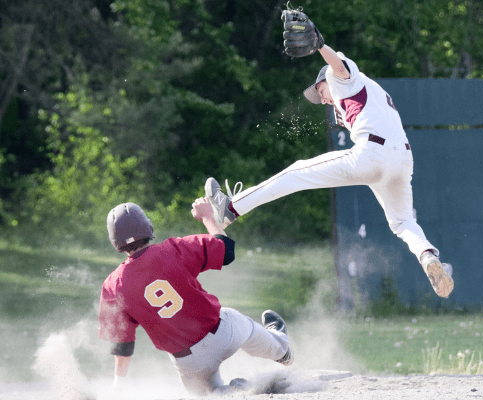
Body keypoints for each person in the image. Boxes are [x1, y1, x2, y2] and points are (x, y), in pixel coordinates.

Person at [205, 7, 454, 299]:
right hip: (401, 160)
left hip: (372, 154)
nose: (321, 97)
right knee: (402, 222)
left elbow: (340, 67)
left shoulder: (341, 80)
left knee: (297, 171)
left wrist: (320, 45)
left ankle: (230, 209)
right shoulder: (372, 91)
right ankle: (428, 257)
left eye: (318, 90)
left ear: (325, 81)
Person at [98, 198, 293, 396]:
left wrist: (118, 386)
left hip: (188, 362)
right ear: (147, 227)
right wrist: (208, 217)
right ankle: (282, 351)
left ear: (116, 242)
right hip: (222, 333)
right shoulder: (173, 249)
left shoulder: (113, 286)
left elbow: (123, 344)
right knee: (248, 329)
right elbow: (227, 251)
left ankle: (232, 392)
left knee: (208, 394)